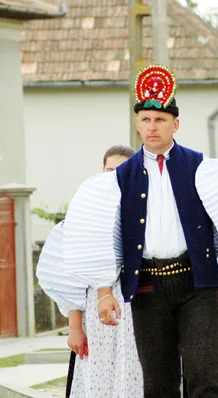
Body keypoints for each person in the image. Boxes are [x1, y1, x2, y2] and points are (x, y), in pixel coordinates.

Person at [58, 64, 218, 398]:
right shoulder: (118, 179)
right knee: (158, 382)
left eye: (159, 120)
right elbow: (103, 234)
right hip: (147, 287)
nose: (152, 126)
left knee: (204, 377)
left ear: (175, 123)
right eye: (145, 119)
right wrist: (103, 290)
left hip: (197, 283)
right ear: (137, 124)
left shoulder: (203, 168)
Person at [36, 144, 140, 398]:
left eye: (122, 170)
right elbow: (67, 275)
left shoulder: (142, 214)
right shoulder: (85, 217)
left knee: (135, 376)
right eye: (109, 169)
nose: (113, 176)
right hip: (97, 309)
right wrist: (74, 327)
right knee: (99, 378)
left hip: (138, 306)